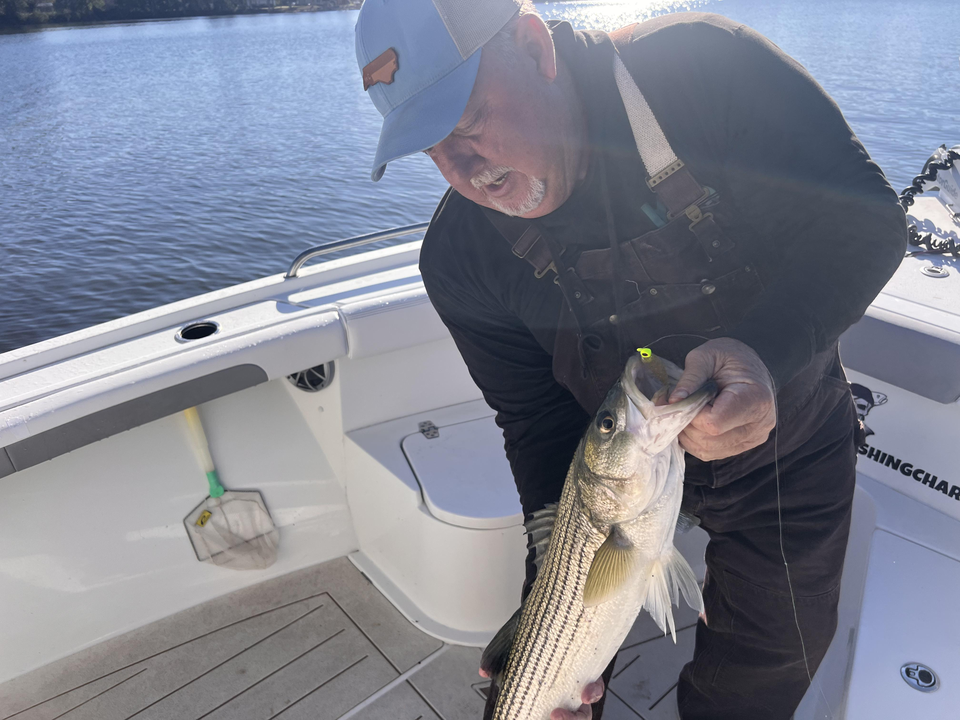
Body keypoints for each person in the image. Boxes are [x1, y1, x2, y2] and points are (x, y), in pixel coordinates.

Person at [355, 1, 907, 718]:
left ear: (531, 45)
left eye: (466, 124)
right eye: (430, 148)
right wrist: (550, 624)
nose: (461, 170)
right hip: (618, 485)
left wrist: (763, 355)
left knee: (764, 669)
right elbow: (538, 428)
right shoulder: (461, 260)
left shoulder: (705, 71)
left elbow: (863, 220)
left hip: (789, 454)